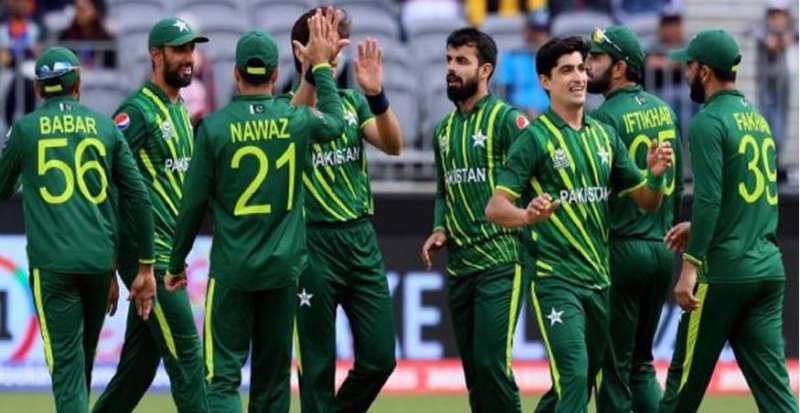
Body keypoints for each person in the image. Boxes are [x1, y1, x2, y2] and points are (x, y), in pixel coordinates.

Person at [165, 12, 347, 412]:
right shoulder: (297, 119)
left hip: (232, 270)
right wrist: (320, 68)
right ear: (276, 74)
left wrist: (176, 263)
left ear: (235, 74)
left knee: (222, 380)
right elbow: (335, 123)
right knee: (273, 382)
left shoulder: (213, 128)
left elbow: (192, 205)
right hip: (282, 271)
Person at [484, 35, 673, 413]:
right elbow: (495, 207)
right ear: (545, 81)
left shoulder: (605, 136)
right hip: (556, 280)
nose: (579, 77)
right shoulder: (534, 138)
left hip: (599, 280)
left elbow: (647, 202)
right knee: (573, 379)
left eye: (583, 69)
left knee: (579, 382)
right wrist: (526, 216)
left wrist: (654, 177)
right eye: (567, 70)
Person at [0, 46, 155, 412]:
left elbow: (2, 188)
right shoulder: (105, 127)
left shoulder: (25, 130)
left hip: (53, 265)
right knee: (81, 367)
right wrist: (145, 265)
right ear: (78, 84)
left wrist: (26, 174)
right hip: (99, 265)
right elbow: (138, 197)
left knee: (68, 372)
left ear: (38, 89)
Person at [660, 29, 798, 413]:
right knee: (777, 397)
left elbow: (709, 199)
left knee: (680, 392)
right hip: (767, 270)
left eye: (689, 65)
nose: (686, 73)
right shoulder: (757, 120)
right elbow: (748, 200)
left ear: (704, 71)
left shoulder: (708, 122)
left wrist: (690, 266)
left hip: (723, 273)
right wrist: (698, 229)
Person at [288, 7, 404, 413]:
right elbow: (293, 124)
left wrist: (376, 95)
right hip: (313, 244)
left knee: (380, 359)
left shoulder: (352, 102)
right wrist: (315, 68)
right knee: (316, 366)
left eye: (337, 43)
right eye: (325, 42)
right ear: (300, 50)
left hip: (360, 239)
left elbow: (394, 145)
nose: (334, 52)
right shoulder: (288, 105)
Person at [92, 17, 210, 413]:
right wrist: (110, 264)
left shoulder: (179, 108)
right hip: (147, 259)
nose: (188, 57)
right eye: (179, 50)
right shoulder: (136, 112)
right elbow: (103, 184)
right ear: (156, 55)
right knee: (188, 358)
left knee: (138, 369)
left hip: (168, 257)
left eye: (191, 49)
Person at [420, 27, 532, 413]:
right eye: (448, 60)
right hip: (460, 267)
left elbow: (535, 181)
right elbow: (443, 191)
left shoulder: (508, 121)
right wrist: (439, 228)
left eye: (462, 61)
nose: (451, 68)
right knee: (474, 374)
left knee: (491, 364)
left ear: (485, 70)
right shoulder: (443, 131)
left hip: (502, 259)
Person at [585, 25, 683, 413]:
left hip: (621, 248)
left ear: (621, 67)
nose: (588, 66)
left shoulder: (603, 119)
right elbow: (677, 183)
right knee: (641, 365)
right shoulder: (665, 111)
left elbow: (596, 193)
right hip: (661, 249)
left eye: (597, 58)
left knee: (613, 369)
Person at [756, 0, 796, 181]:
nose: (777, 19)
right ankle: (767, 164)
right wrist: (770, 39)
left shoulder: (791, 32)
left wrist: (787, 38)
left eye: (781, 15)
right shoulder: (762, 31)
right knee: (768, 126)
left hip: (783, 88)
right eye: (774, 15)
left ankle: (775, 164)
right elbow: (753, 31)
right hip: (767, 87)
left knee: (780, 129)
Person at [494, 9, 551, 120]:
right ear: (527, 32)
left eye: (544, 31)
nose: (540, 36)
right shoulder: (512, 58)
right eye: (535, 31)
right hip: (518, 117)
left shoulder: (557, 60)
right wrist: (519, 111)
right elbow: (500, 92)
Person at [1, 0, 43, 124]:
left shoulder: (35, 29)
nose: (20, 5)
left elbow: (39, 53)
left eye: (24, 2)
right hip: (7, 72)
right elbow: (4, 57)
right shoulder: (2, 30)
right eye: (16, 1)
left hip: (29, 72)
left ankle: (28, 123)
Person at [58, 0, 117, 69]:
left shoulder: (107, 39)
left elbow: (111, 68)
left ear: (95, 11)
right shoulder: (65, 37)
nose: (78, 13)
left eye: (83, 9)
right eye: (77, 9)